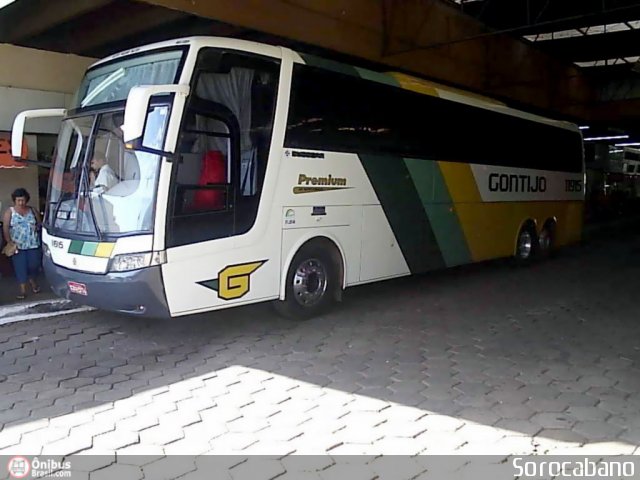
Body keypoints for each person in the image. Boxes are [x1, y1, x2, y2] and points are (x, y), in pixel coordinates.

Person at [2, 188, 42, 299]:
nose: (21, 203)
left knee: (34, 265)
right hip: (17, 245)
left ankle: (32, 280)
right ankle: (23, 290)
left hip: (33, 243)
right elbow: (5, 227)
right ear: (14, 200)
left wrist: (36, 227)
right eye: (18, 200)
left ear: (26, 200)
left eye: (23, 200)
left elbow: (40, 224)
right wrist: (9, 242)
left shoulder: (32, 210)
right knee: (20, 267)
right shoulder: (10, 212)